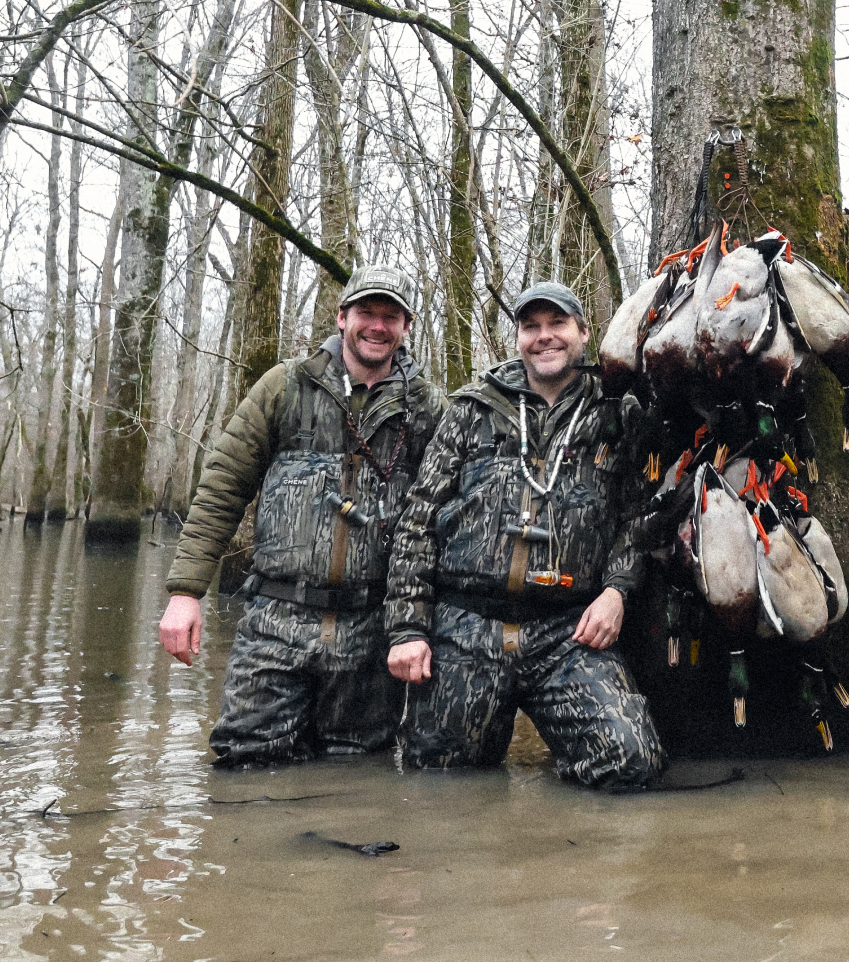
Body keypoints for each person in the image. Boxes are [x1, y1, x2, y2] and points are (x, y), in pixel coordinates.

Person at [158, 265, 448, 766]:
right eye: (366, 313)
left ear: (407, 326)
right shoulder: (284, 386)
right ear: (341, 318)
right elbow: (223, 487)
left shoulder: (427, 408)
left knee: (356, 777)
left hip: (371, 630)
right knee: (243, 765)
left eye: (390, 316)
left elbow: (443, 517)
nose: (377, 326)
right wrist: (186, 592)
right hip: (275, 622)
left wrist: (419, 626)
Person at [382, 281, 664, 789]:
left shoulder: (617, 413)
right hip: (467, 626)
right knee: (436, 784)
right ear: (517, 338)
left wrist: (616, 592)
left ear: (583, 332)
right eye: (531, 327)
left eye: (557, 324)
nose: (544, 337)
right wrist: (408, 630)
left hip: (566, 629)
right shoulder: (472, 410)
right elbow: (417, 522)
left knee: (631, 763)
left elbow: (637, 520)